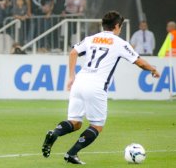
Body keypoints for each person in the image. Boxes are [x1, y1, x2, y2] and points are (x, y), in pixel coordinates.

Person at [41, 11, 160, 164]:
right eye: (120, 26)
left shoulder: (91, 39)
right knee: (97, 125)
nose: (120, 29)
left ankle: (54, 133)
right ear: (116, 26)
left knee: (75, 122)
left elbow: (73, 53)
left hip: (79, 82)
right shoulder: (119, 43)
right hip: (96, 86)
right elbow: (140, 62)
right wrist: (153, 69)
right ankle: (71, 153)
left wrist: (71, 76)